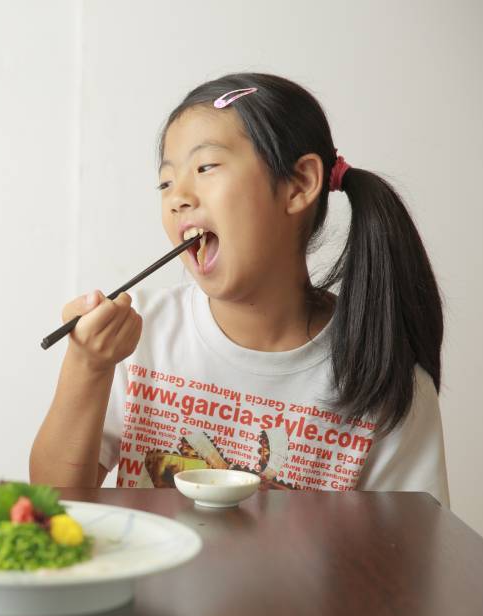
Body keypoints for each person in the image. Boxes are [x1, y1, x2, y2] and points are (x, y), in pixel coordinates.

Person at [30, 73, 448, 505]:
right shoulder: (139, 335)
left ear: (300, 184)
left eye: (205, 167)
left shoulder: (383, 373)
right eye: (166, 183)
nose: (178, 198)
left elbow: (410, 551)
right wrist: (88, 368)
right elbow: (52, 501)